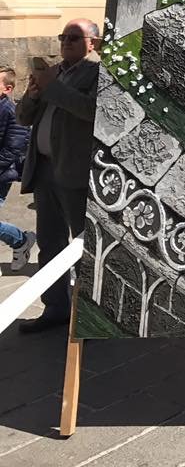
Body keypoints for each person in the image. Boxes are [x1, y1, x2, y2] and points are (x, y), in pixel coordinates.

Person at [16, 20, 100, 333]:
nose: (66, 42)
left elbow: (92, 111)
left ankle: (91, 318)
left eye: (74, 37)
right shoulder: (54, 73)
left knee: (83, 248)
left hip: (74, 173)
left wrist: (52, 88)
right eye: (63, 36)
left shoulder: (97, 74)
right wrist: (34, 94)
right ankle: (56, 308)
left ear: (93, 43)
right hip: (44, 170)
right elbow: (22, 117)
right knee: (50, 243)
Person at [0, 68, 35, 271]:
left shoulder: (13, 113)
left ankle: (21, 241)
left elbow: (12, 151)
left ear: (7, 88)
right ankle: (21, 241)